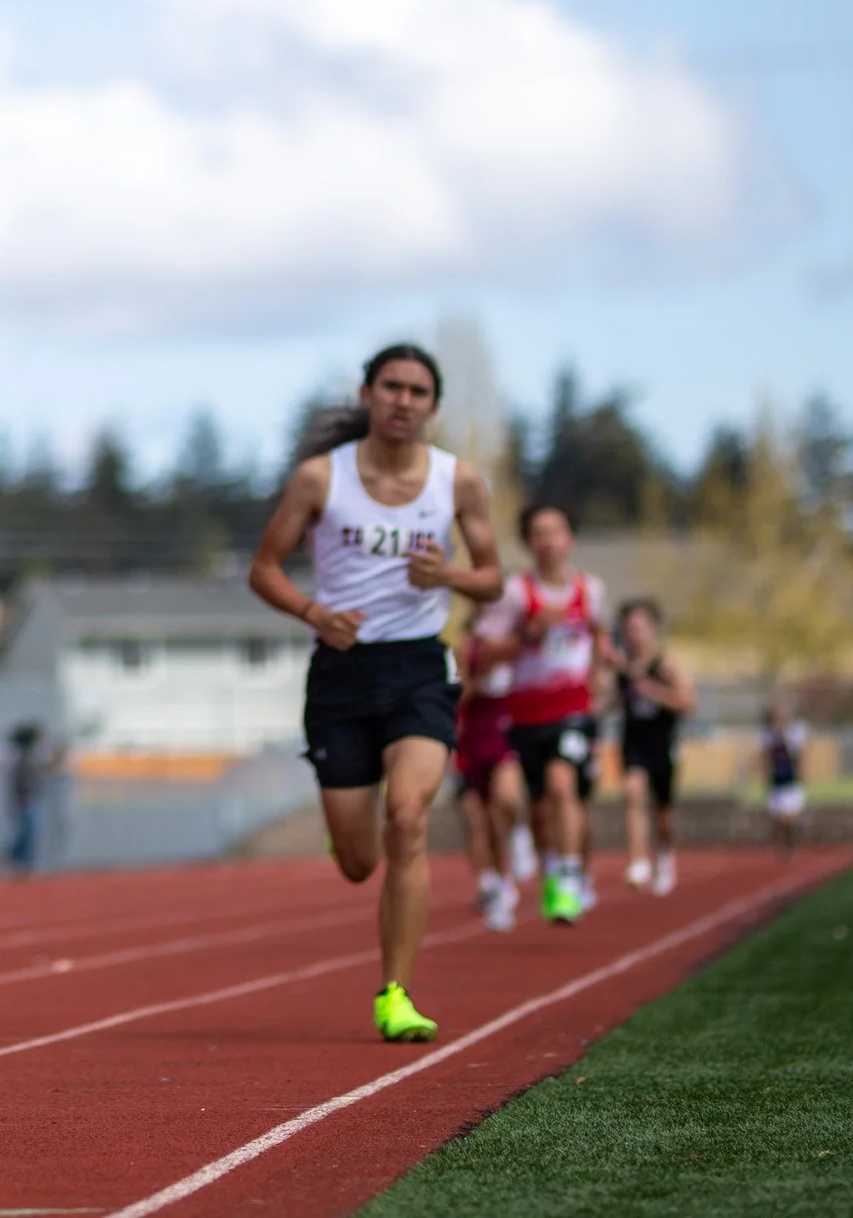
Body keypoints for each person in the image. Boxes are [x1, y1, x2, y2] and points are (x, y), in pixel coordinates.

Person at [248, 342, 503, 1044]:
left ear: (434, 407)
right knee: (361, 860)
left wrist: (446, 577)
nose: (403, 400)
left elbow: (493, 579)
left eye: (418, 391)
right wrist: (312, 613)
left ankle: (395, 992)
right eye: (391, 386)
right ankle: (347, 825)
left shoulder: (458, 482)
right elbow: (264, 569)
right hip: (342, 669)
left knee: (411, 815)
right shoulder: (318, 480)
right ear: (367, 393)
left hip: (420, 668)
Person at [475, 502, 617, 926]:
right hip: (525, 714)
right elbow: (486, 652)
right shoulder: (516, 594)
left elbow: (599, 631)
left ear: (569, 539)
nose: (548, 540)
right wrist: (527, 633)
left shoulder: (590, 589)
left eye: (556, 531)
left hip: (572, 708)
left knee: (563, 785)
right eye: (539, 532)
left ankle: (571, 877)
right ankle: (554, 870)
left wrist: (597, 672)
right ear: (528, 542)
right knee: (538, 810)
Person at [611, 598, 694, 895]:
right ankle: (637, 860)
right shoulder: (620, 667)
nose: (634, 635)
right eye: (628, 629)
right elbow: (607, 702)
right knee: (633, 794)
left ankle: (665, 854)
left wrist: (652, 690)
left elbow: (687, 703)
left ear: (652, 630)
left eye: (639, 628)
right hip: (634, 742)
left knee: (663, 812)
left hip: (663, 743)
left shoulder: (666, 665)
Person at [450, 630, 529, 932]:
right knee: (475, 819)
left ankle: (519, 836)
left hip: (504, 736)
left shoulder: (519, 644)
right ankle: (493, 884)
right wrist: (481, 675)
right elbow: (457, 697)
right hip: (469, 741)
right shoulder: (467, 650)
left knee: (504, 805)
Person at [763, 703, 807, 859]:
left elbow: (798, 753)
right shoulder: (767, 734)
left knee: (787, 820)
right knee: (778, 822)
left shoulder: (795, 731)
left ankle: (790, 842)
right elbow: (766, 756)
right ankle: (783, 849)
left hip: (791, 783)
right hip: (776, 784)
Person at [5, 723, 48, 875]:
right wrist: (21, 799)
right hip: (27, 801)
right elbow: (20, 782)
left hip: (32, 800)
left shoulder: (30, 759)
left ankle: (22, 862)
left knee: (30, 834)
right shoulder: (24, 760)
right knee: (27, 833)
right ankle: (12, 857)